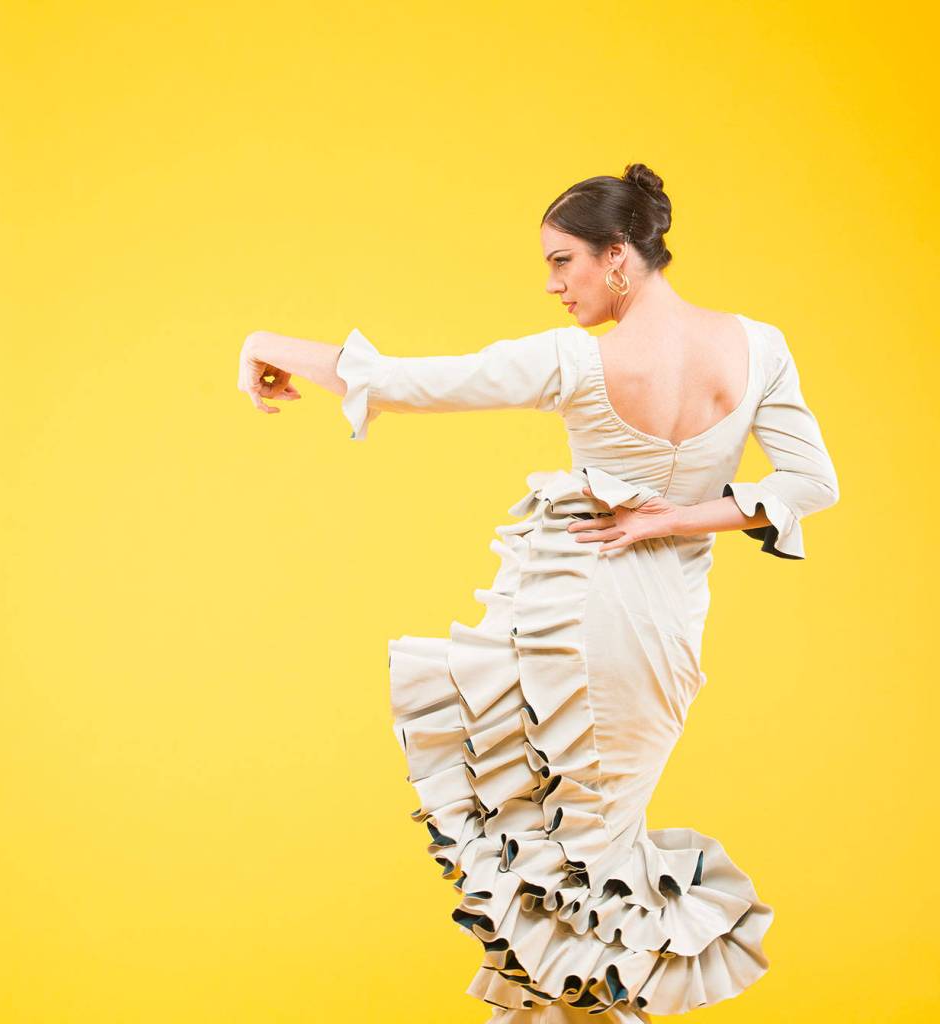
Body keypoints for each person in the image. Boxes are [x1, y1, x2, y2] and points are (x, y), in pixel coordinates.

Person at [236, 164, 840, 1022]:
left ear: (618, 255)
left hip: (574, 625)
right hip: (666, 633)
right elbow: (810, 483)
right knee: (590, 857)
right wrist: (679, 517)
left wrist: (264, 342)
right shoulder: (760, 347)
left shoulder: (572, 361)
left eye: (564, 262)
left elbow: (406, 382)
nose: (554, 284)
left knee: (560, 860)